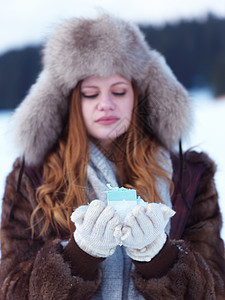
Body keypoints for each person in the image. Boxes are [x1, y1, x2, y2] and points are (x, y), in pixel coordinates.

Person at [0, 14, 224, 300]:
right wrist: (78, 256)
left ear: (138, 94)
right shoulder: (32, 178)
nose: (105, 104)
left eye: (118, 91)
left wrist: (159, 256)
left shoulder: (189, 176)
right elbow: (11, 291)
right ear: (72, 102)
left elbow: (214, 289)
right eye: (91, 94)